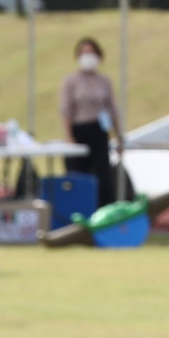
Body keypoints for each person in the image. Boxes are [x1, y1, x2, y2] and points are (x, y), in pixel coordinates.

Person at [59, 37, 122, 211]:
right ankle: (78, 212)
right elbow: (65, 110)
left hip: (99, 130)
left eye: (91, 53)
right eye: (84, 53)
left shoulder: (104, 81)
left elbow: (112, 109)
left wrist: (118, 135)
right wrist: (69, 136)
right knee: (79, 175)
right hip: (79, 130)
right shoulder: (71, 81)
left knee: (103, 175)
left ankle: (104, 212)